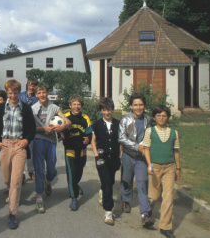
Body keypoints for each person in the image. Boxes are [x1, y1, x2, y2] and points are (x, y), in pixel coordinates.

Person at [0, 79, 36, 229]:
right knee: (7, 177)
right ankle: (11, 191)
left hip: (19, 146)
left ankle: (13, 213)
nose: (13, 94)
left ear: (19, 92)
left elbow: (31, 128)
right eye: (10, 92)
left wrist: (26, 140)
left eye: (15, 92)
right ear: (7, 93)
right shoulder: (0, 108)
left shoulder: (25, 108)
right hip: (4, 145)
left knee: (16, 181)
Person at [141, 105, 181, 238]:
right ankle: (146, 216)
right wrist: (149, 164)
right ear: (154, 117)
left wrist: (178, 168)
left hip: (169, 167)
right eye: (158, 115)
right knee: (153, 197)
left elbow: (176, 151)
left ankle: (165, 227)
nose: (161, 118)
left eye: (164, 115)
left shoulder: (174, 132)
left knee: (168, 197)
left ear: (168, 117)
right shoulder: (150, 131)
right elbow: (146, 148)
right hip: (155, 167)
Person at [31, 83, 70, 213]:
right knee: (39, 169)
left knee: (52, 170)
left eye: (44, 92)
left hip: (51, 140)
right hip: (38, 140)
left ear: (48, 93)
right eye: (39, 93)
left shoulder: (54, 107)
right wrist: (42, 128)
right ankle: (39, 198)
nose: (42, 95)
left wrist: (62, 127)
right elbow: (30, 128)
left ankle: (48, 181)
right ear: (36, 95)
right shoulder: (32, 109)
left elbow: (68, 121)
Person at [118, 92, 153, 227]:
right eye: (135, 105)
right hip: (128, 155)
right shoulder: (125, 120)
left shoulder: (148, 120)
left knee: (142, 184)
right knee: (126, 180)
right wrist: (136, 146)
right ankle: (126, 200)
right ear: (131, 106)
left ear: (144, 106)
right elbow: (121, 138)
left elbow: (149, 136)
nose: (138, 107)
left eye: (141, 105)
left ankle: (145, 214)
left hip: (141, 158)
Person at [91, 97, 122, 225]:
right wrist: (96, 155)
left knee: (111, 180)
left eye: (109, 110)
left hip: (114, 158)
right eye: (104, 110)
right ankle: (108, 211)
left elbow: (120, 141)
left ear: (112, 110)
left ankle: (102, 191)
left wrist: (120, 154)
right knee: (107, 182)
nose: (107, 113)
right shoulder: (96, 124)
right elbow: (93, 141)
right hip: (102, 157)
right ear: (101, 111)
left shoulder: (118, 124)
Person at [62, 95, 92, 211]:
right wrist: (60, 135)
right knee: (71, 174)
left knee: (79, 172)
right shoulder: (66, 117)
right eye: (74, 104)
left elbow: (89, 131)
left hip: (82, 151)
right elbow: (60, 130)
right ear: (70, 106)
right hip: (70, 150)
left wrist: (88, 139)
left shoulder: (85, 118)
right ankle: (74, 198)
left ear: (81, 106)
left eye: (78, 104)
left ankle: (76, 184)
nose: (76, 106)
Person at [19, 77, 39, 181]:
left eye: (34, 85)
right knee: (20, 150)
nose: (32, 87)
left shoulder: (37, 98)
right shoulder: (21, 95)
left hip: (31, 126)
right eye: (30, 85)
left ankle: (31, 171)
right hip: (20, 126)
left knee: (30, 151)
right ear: (27, 85)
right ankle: (21, 173)